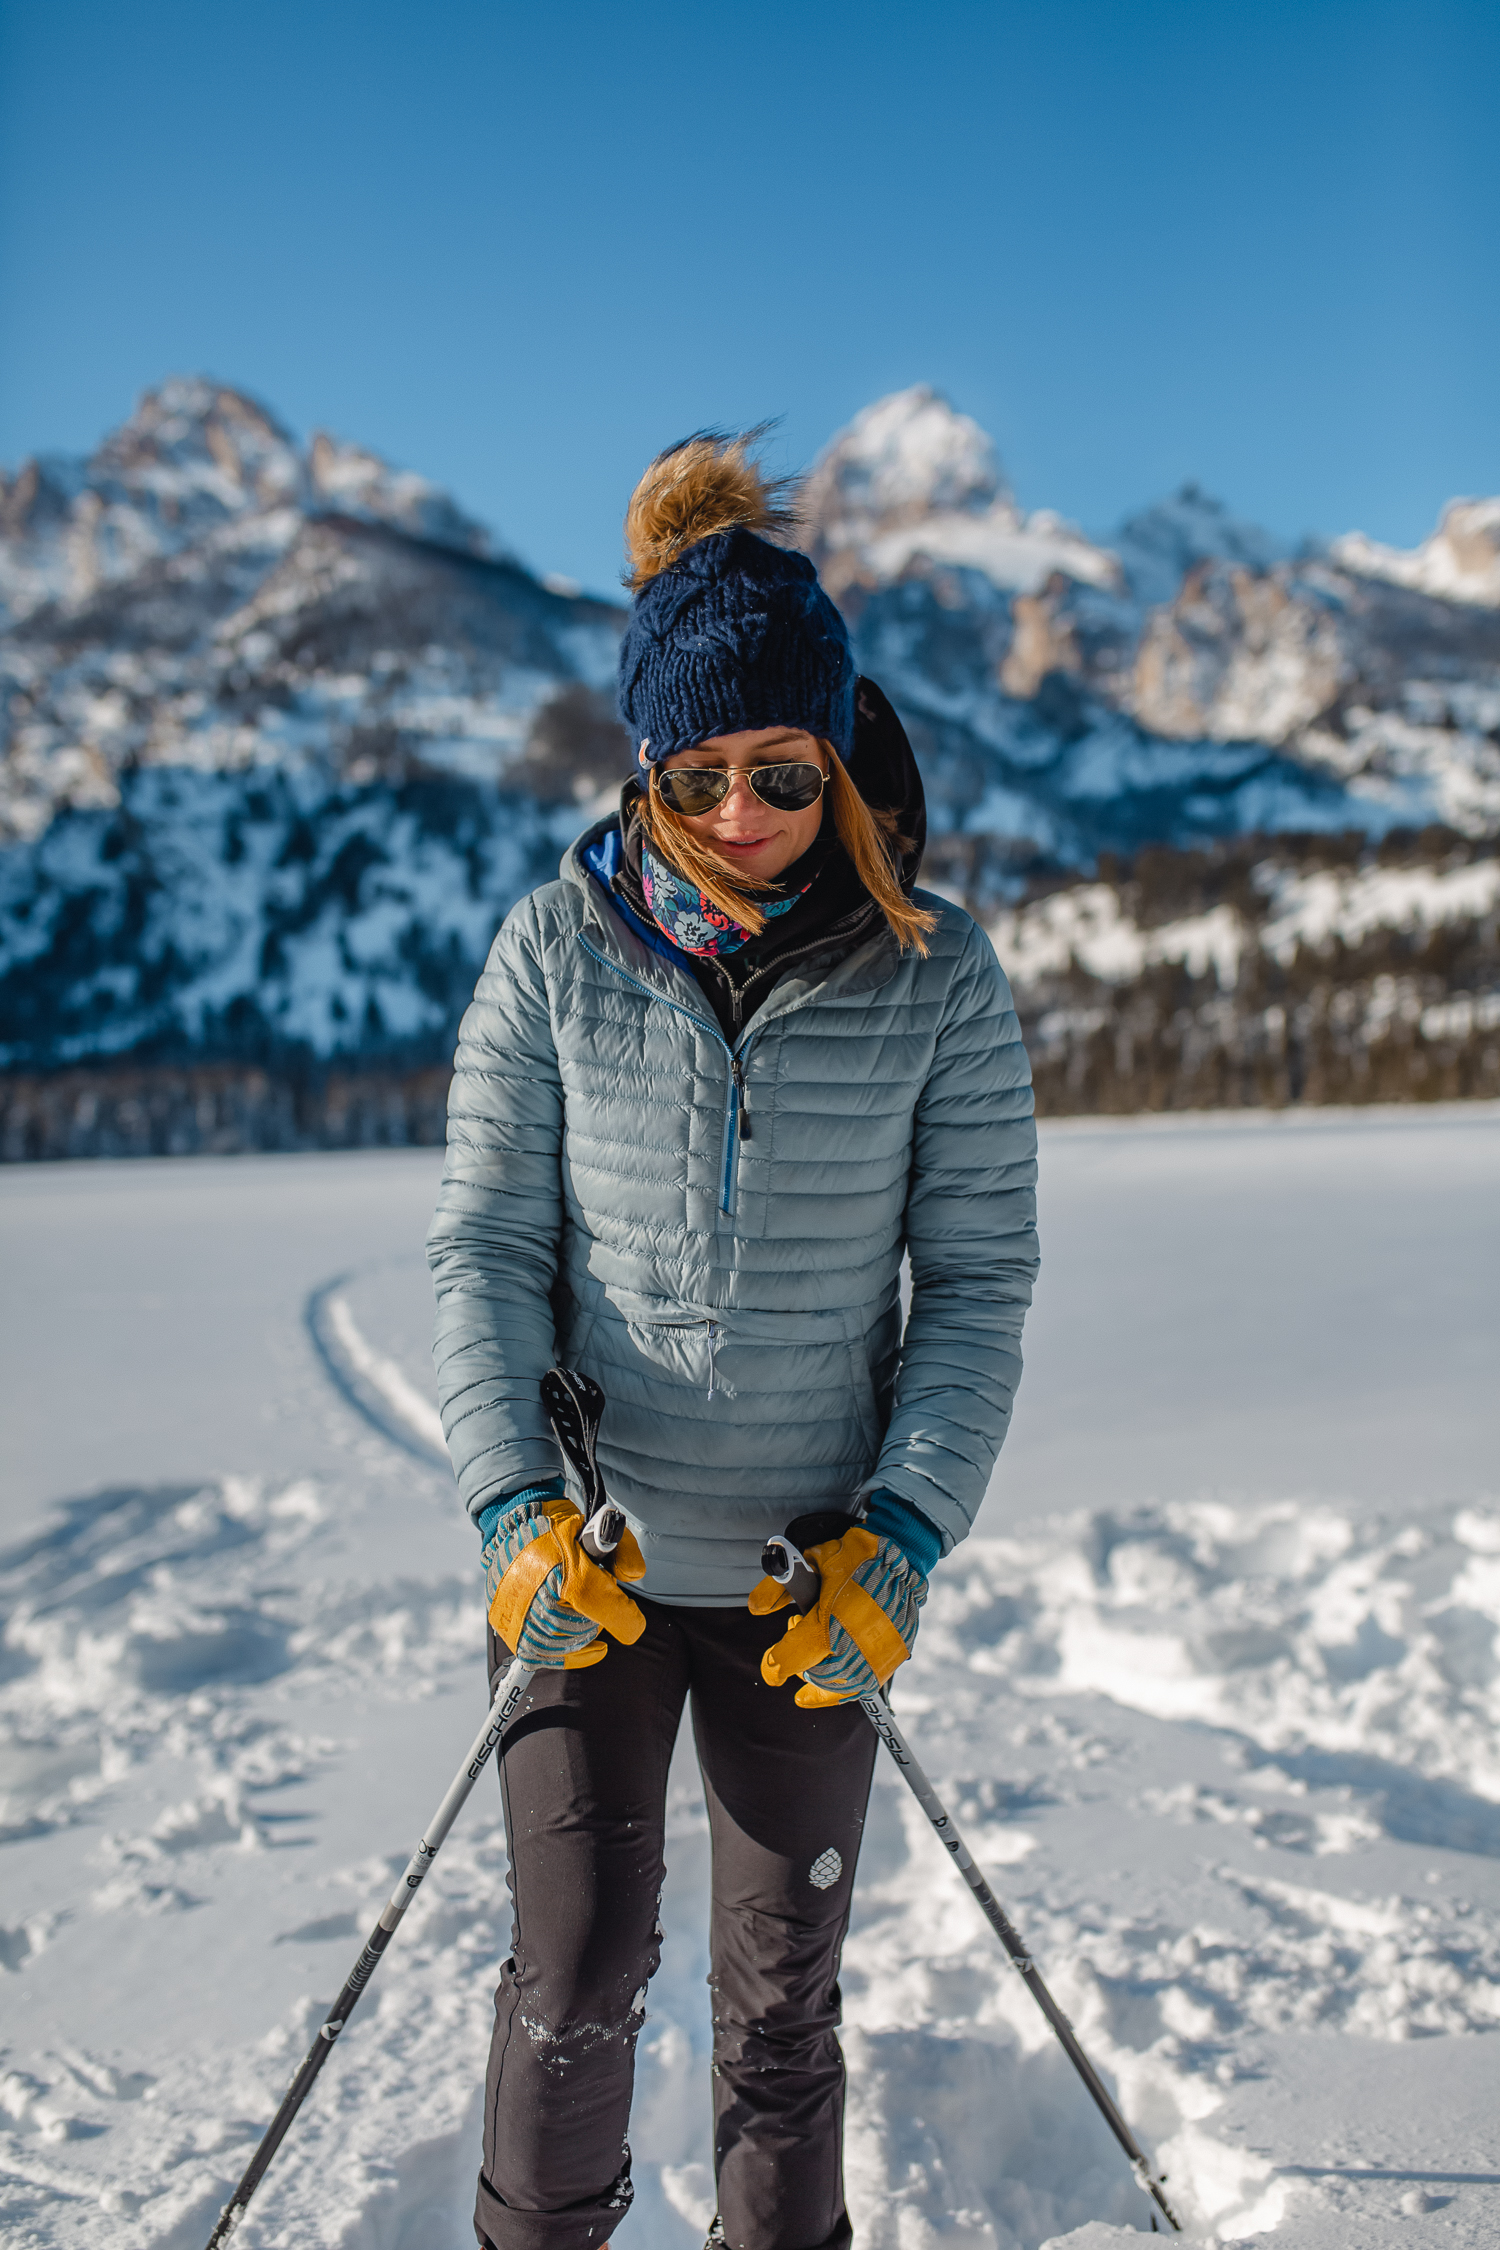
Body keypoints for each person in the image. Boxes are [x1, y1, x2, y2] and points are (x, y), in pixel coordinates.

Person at [427, 431, 1039, 2250]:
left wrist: (907, 1533)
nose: (749, 810)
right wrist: (505, 1510)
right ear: (647, 767)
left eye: (785, 766)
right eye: (700, 775)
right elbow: (484, 1244)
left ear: (839, 747)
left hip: (807, 1582)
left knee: (783, 2006)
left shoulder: (939, 976)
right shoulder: (550, 952)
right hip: (591, 1571)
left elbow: (979, 1287)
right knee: (579, 1969)